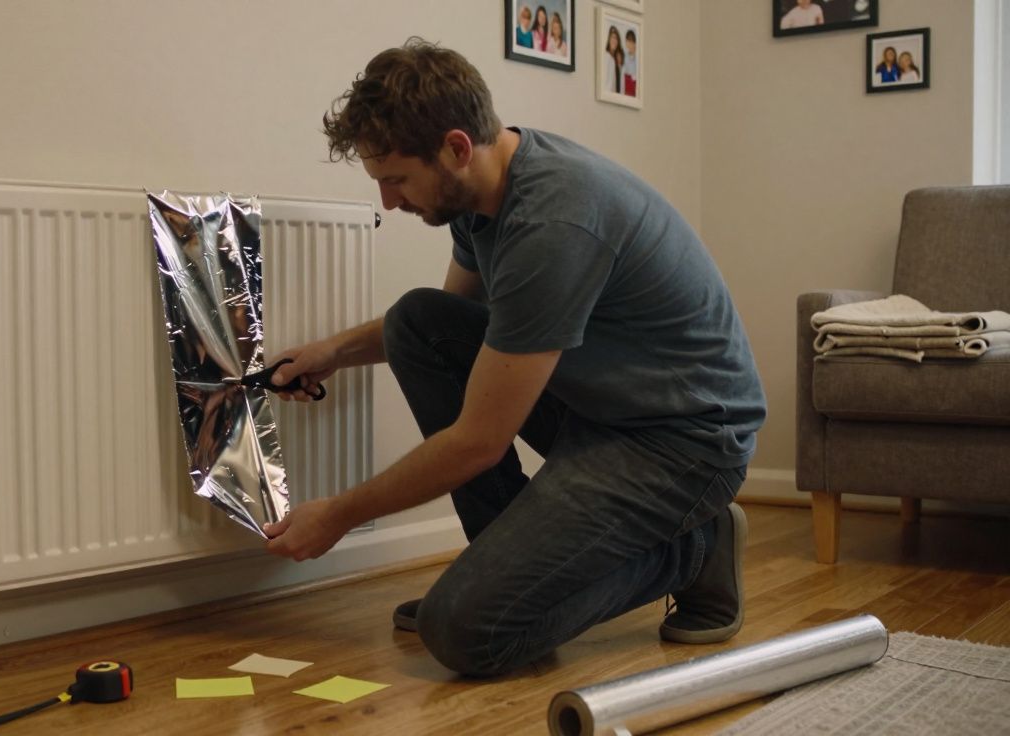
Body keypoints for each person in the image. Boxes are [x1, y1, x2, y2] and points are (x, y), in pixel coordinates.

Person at [262, 38, 766, 678]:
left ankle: (696, 547)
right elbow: (450, 333)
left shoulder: (553, 223)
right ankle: (504, 575)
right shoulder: (479, 194)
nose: (389, 201)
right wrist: (335, 350)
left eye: (395, 179)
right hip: (607, 409)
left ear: (456, 148)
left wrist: (337, 515)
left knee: (466, 634)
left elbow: (477, 441)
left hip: (683, 444)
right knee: (418, 321)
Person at [604, 26, 624, 94]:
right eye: (613, 37)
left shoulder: (615, 61)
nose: (614, 41)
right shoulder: (607, 57)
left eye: (616, 39)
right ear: (609, 39)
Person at [622, 29, 639, 97]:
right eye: (627, 41)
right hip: (627, 87)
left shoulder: (638, 57)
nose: (629, 44)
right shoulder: (625, 56)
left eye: (631, 41)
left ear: (634, 43)